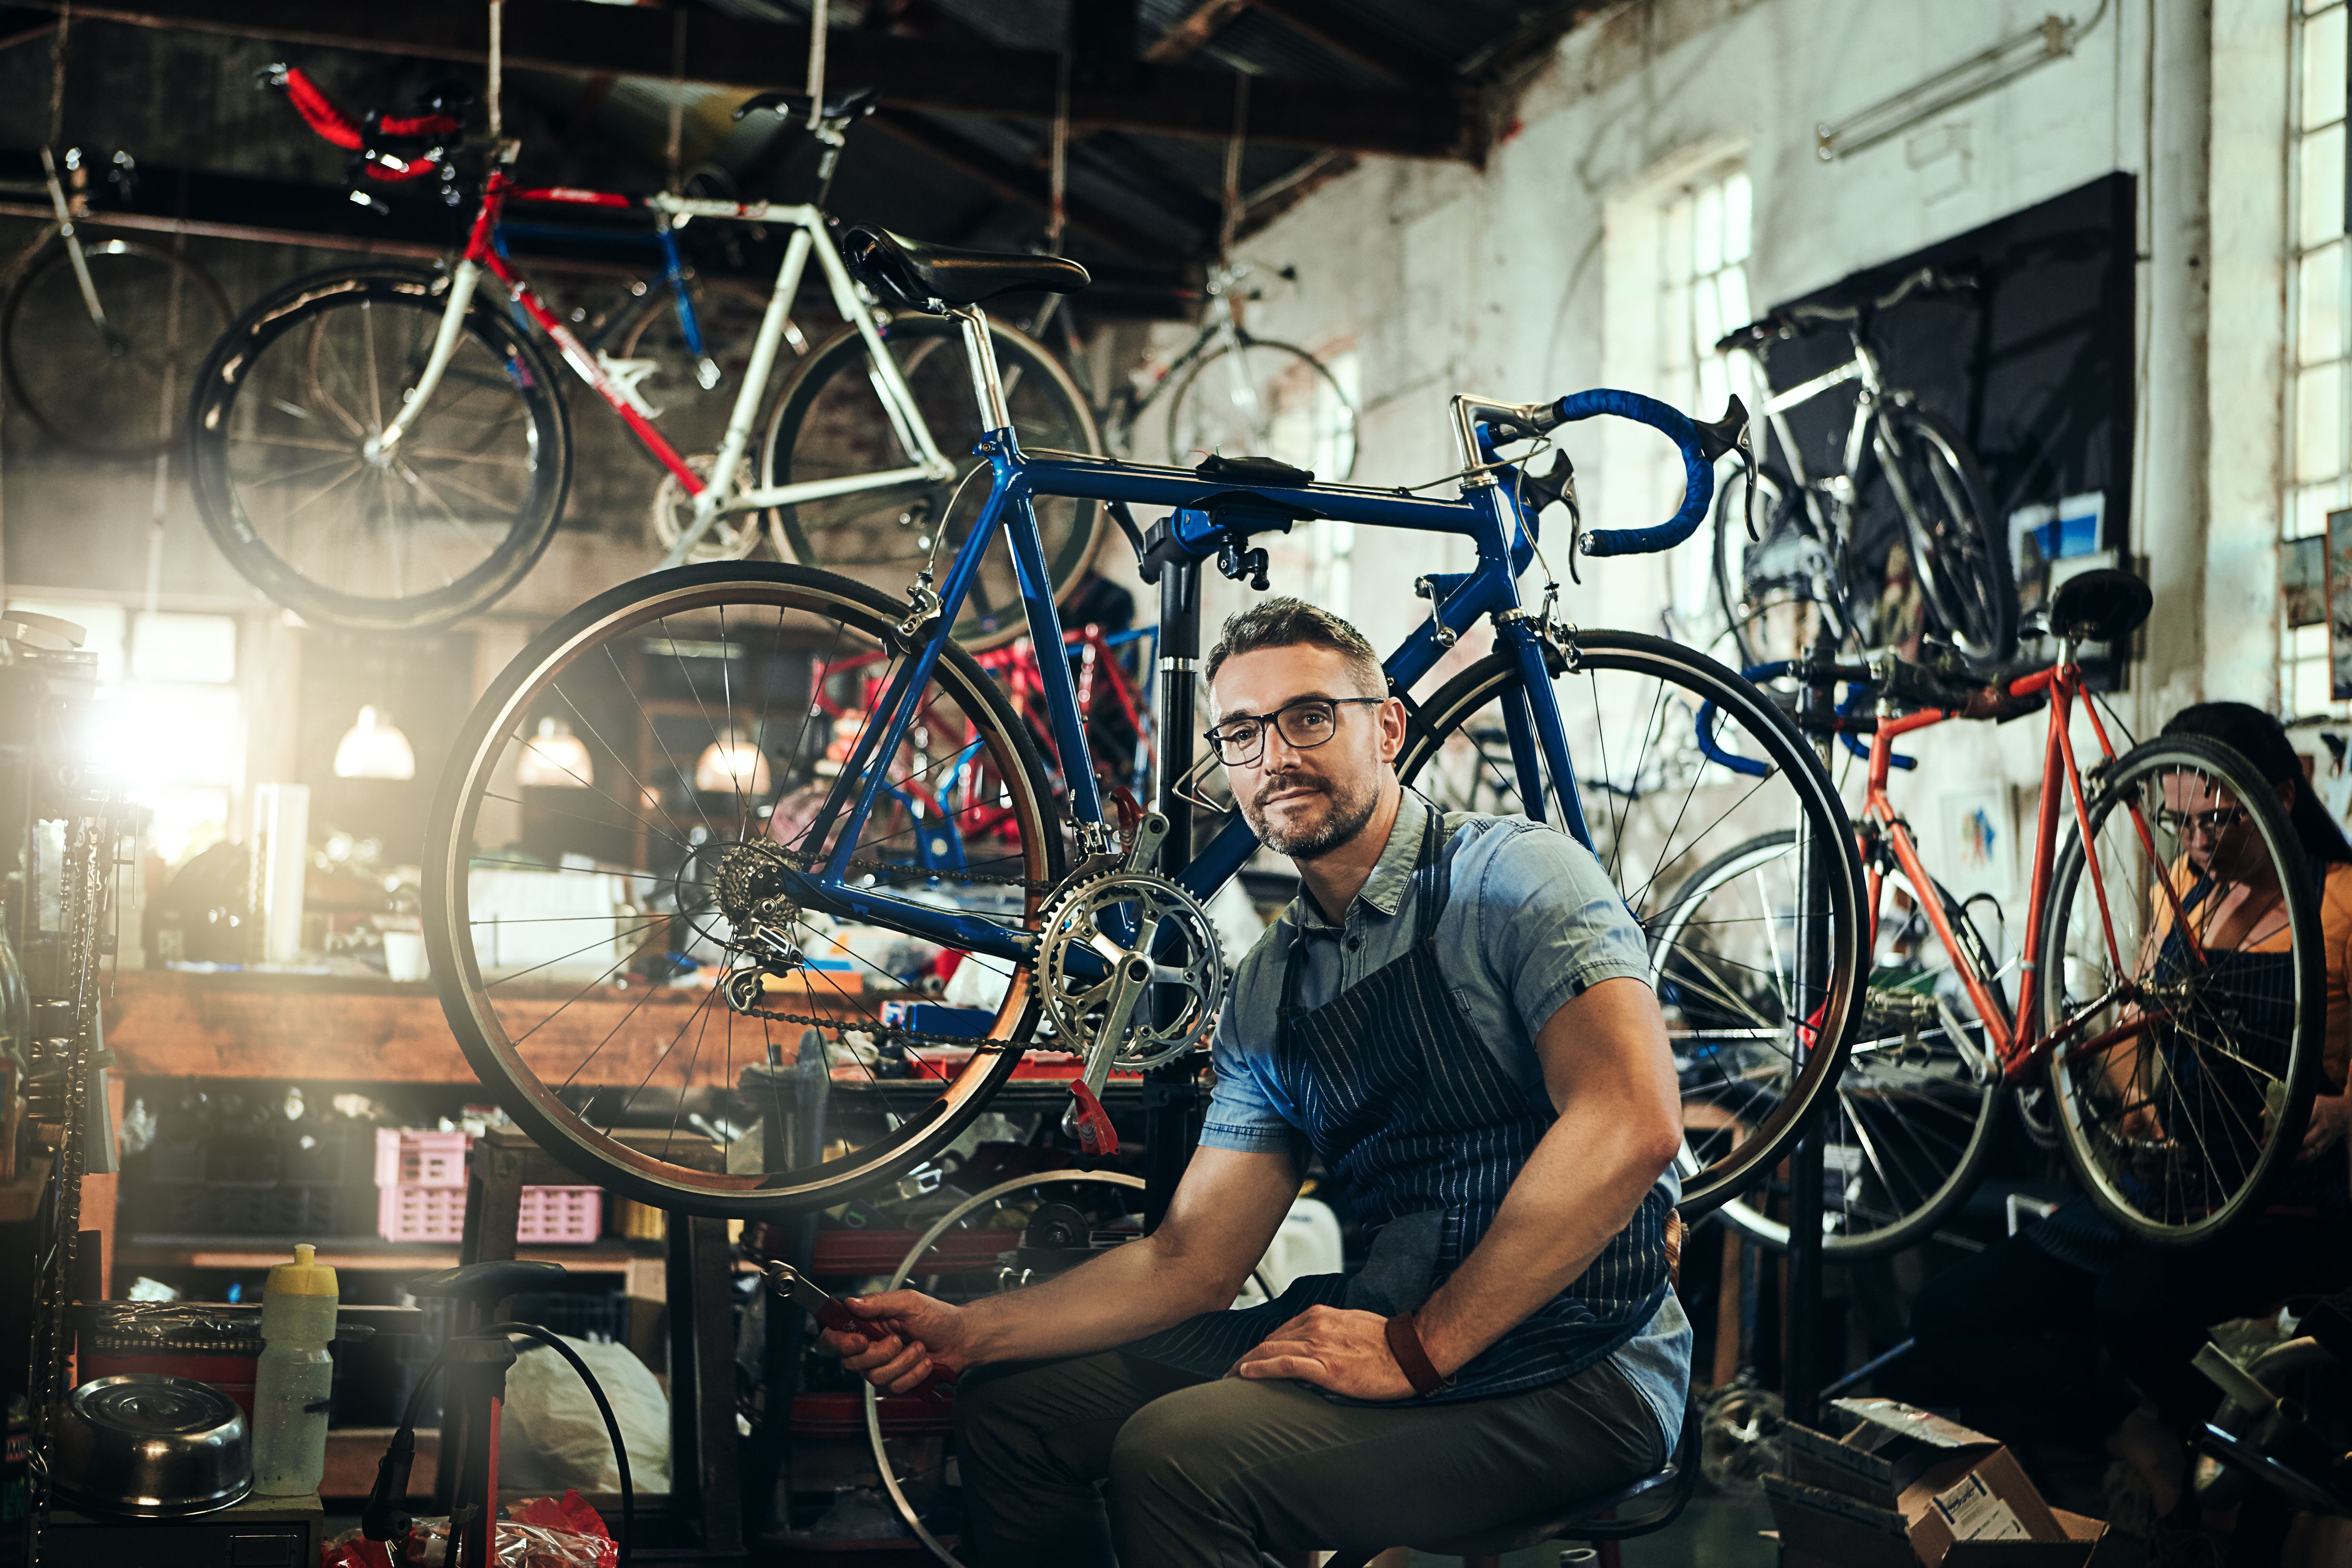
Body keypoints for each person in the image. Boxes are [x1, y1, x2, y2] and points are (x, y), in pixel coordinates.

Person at [814, 598, 1692, 1568]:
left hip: (1580, 1361)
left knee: (1179, 1456)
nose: (1275, 753)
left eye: (1310, 714)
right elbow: (1190, 1261)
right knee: (1019, 1409)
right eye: (1241, 730)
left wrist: (1416, 1345)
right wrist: (967, 1332)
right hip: (1392, 1317)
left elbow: (1630, 1119)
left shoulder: (1518, 878)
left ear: (1388, 725)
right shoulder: (1271, 981)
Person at [1905, 701, 2352, 1536]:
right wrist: (2115, 1087)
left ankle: (2246, 1457)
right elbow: (2135, 1029)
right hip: (2166, 1190)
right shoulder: (2179, 889)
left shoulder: (2340, 901)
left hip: (2282, 1201)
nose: (2193, 843)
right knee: (1949, 1314)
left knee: (2131, 1305)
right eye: (2174, 820)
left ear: (2279, 800)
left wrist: (2345, 1110)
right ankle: (2143, 1439)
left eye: (2213, 820)